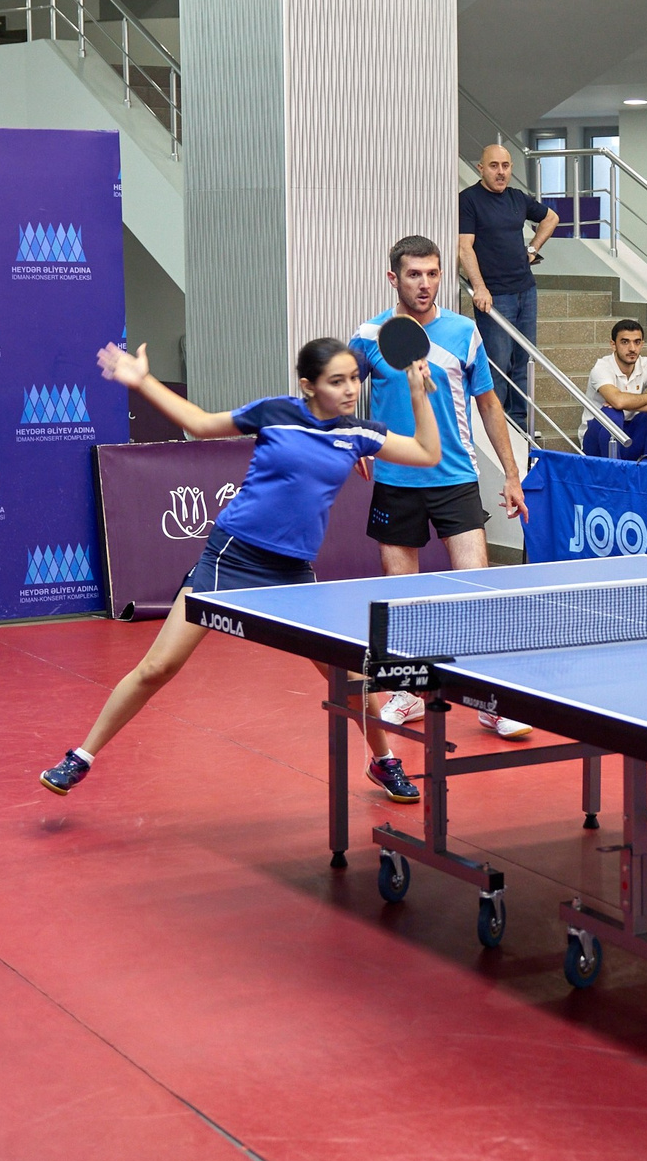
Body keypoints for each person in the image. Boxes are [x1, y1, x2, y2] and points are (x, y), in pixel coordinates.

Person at [38, 335, 445, 803]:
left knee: (345, 676)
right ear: (308, 385)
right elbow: (201, 424)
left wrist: (418, 396)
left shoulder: (359, 434)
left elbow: (426, 453)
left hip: (293, 570)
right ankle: (81, 756)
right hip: (232, 557)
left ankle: (383, 759)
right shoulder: (276, 412)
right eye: (337, 381)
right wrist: (143, 380)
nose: (350, 389)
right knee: (157, 666)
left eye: (354, 378)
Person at [353, 235, 536, 739]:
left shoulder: (463, 332)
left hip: (455, 477)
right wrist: (357, 441)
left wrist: (512, 472)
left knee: (476, 591)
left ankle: (489, 698)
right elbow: (342, 390)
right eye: (414, 274)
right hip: (395, 479)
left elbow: (489, 405)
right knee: (403, 597)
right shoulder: (369, 334)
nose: (426, 284)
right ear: (394, 278)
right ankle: (411, 691)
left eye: (433, 273)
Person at [457, 144, 558, 430]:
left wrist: (532, 247)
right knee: (498, 365)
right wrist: (479, 287)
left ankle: (519, 425)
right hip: (495, 295)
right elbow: (465, 248)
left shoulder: (517, 198)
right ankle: (496, 426)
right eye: (494, 166)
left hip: (525, 289)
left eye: (506, 166)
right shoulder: (469, 200)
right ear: (481, 168)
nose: (501, 172)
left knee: (524, 361)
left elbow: (551, 218)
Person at [582, 319, 647, 459]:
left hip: (631, 434)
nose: (632, 348)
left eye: (637, 342)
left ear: (642, 344)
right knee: (612, 412)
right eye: (625, 342)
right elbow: (618, 401)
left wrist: (632, 406)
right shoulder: (602, 367)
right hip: (597, 438)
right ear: (613, 345)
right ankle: (614, 471)